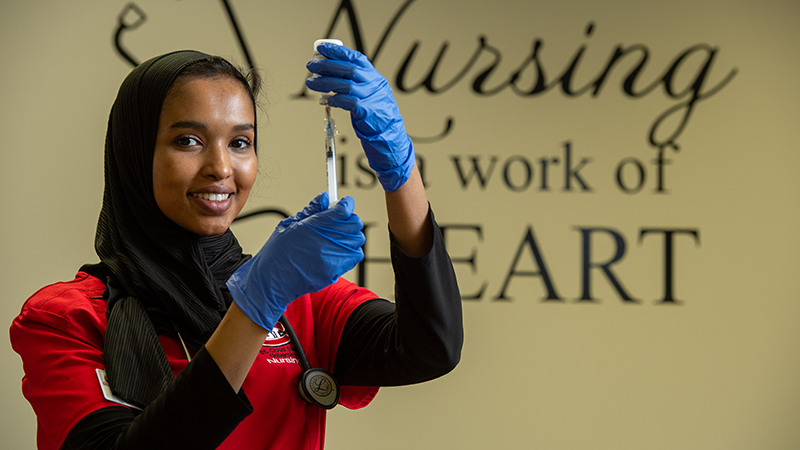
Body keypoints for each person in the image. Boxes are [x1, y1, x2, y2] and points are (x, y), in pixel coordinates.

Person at [10, 45, 462, 450]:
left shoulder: (299, 302)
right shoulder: (67, 318)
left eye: (240, 142)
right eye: (188, 140)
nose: (221, 167)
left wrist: (400, 172)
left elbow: (429, 348)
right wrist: (256, 302)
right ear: (134, 153)